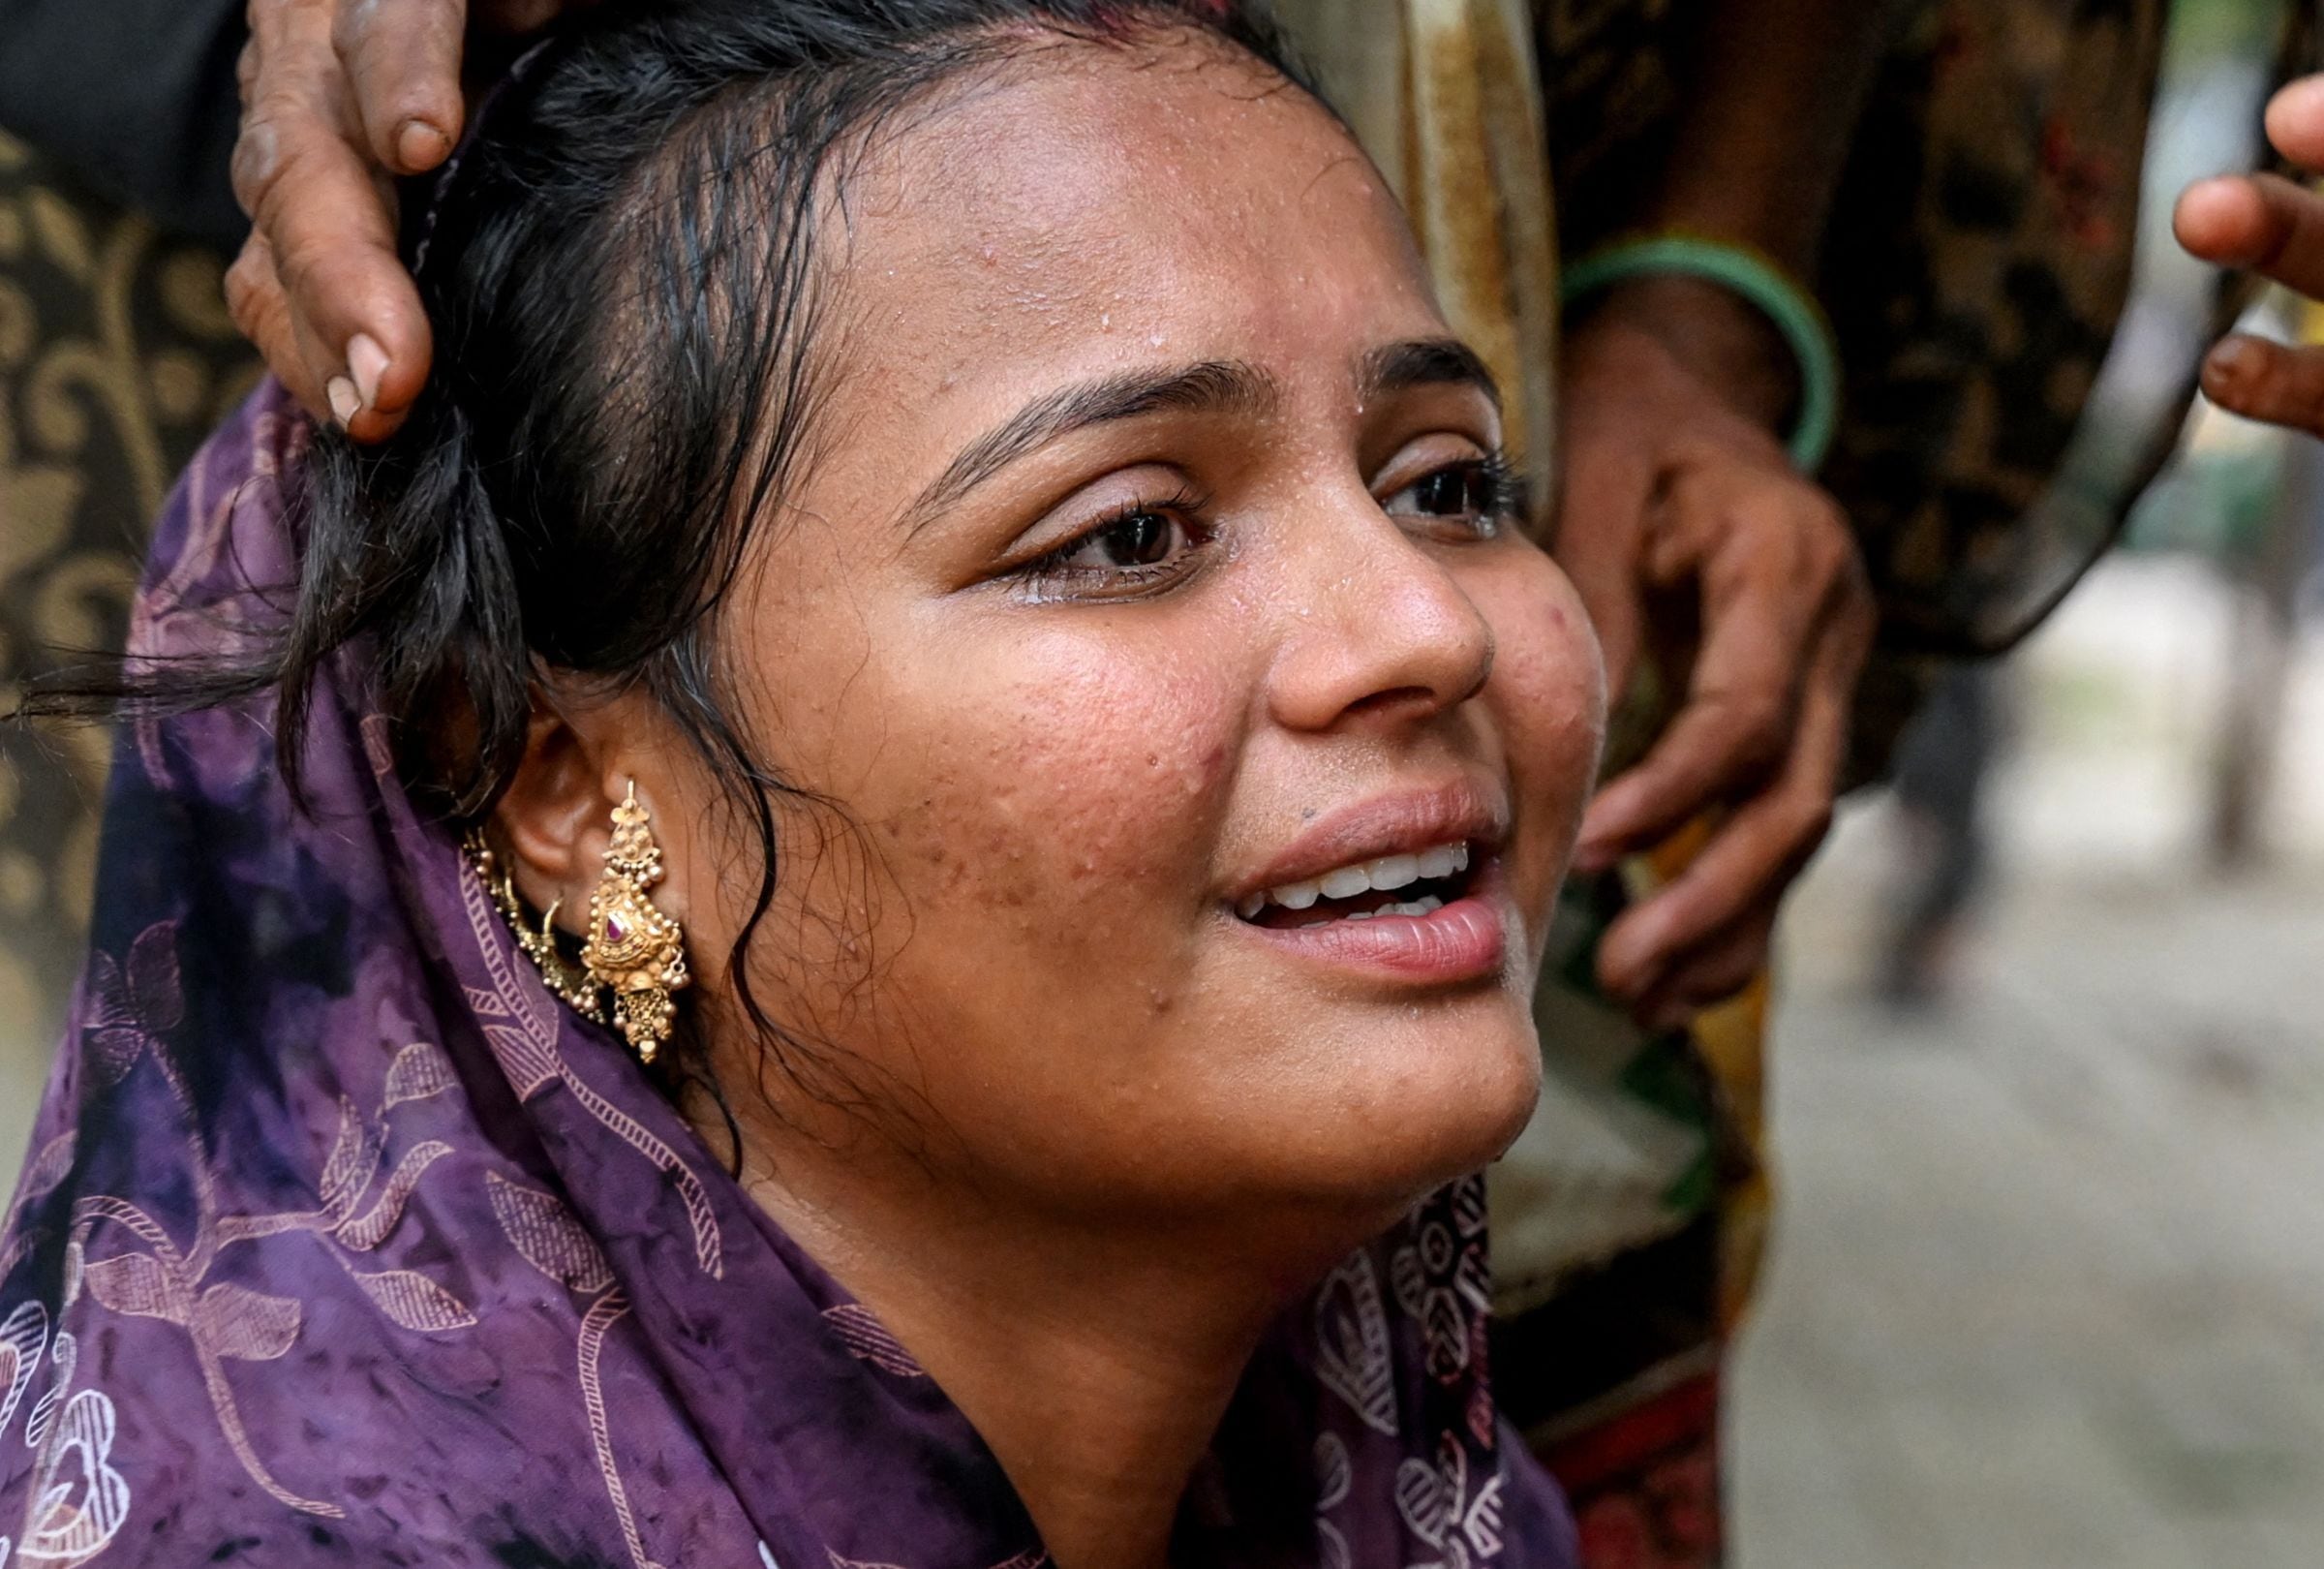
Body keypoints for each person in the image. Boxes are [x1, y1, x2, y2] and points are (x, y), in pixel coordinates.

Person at [0, 1, 1607, 1563]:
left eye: (1449, 484)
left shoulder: (1400, 1499)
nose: (1429, 624)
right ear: (555, 788)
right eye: (1128, 535)